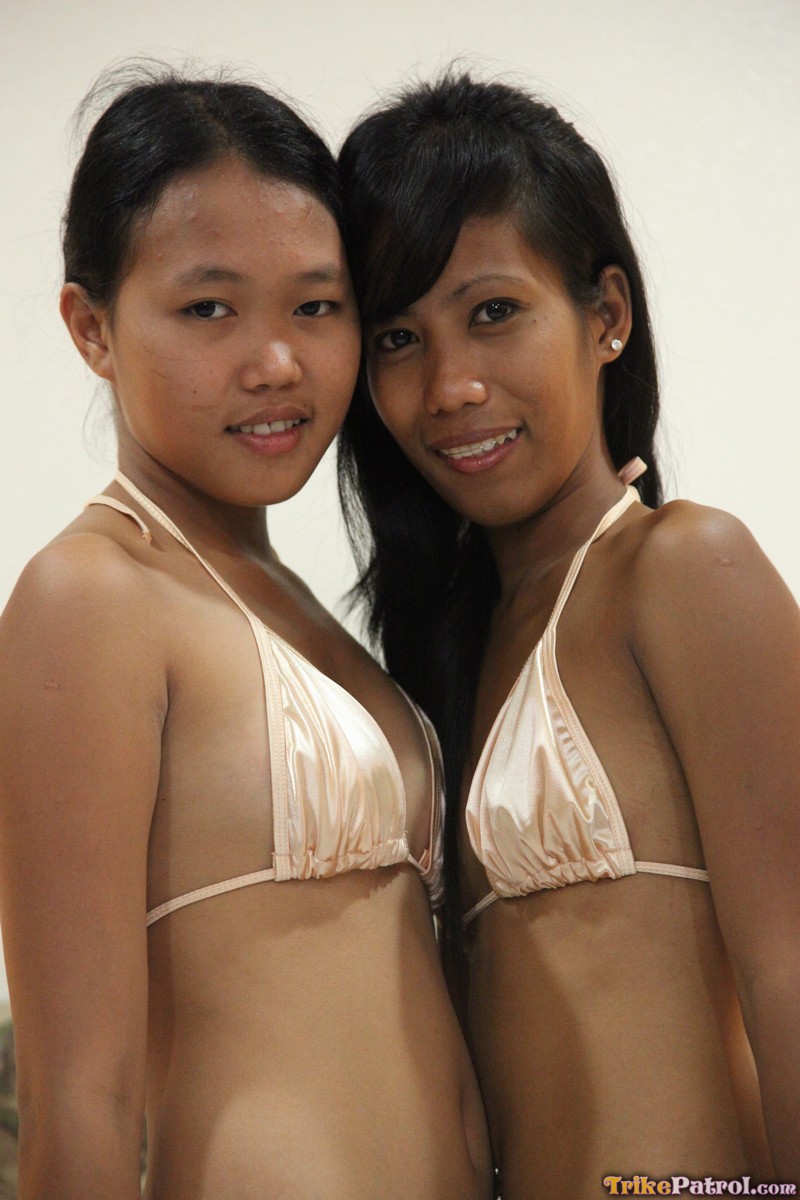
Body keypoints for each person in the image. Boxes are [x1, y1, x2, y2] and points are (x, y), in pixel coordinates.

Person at [0, 70, 491, 1200]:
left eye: (315, 307)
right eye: (209, 310)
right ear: (91, 327)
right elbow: (78, 1096)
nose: (276, 363)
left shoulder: (290, 603)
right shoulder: (89, 598)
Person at [337, 71, 800, 1197]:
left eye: (493, 312)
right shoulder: (444, 654)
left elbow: (790, 970)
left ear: (606, 316)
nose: (450, 386)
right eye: (398, 336)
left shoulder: (687, 569)